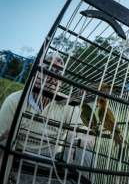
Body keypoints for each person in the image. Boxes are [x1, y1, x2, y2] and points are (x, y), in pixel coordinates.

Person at [0, 53, 93, 182]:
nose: (53, 76)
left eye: (58, 73)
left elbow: (83, 131)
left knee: (84, 149)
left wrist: (80, 138)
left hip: (52, 165)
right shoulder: (15, 100)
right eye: (48, 70)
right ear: (36, 73)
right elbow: (2, 140)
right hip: (18, 163)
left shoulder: (67, 104)